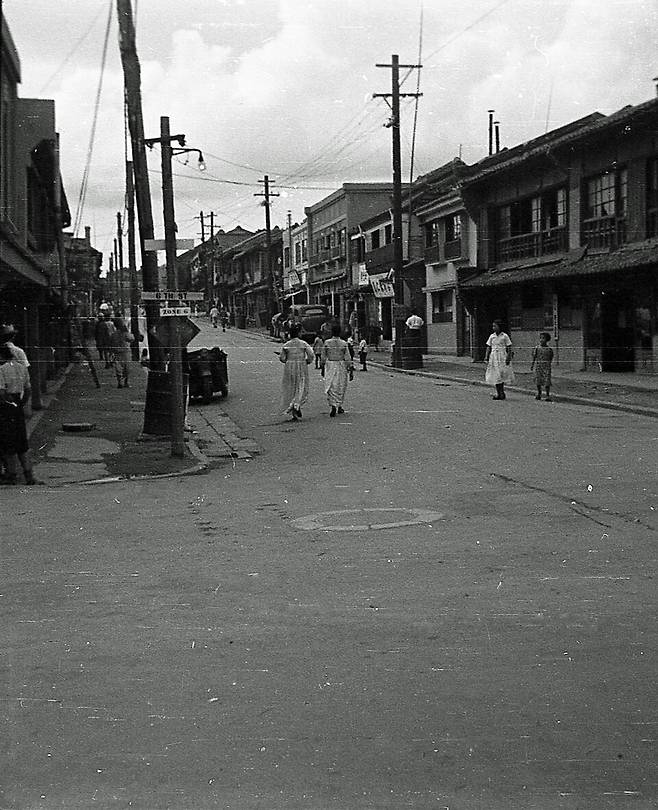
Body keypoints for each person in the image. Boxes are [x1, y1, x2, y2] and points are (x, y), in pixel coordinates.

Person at [0, 344, 36, 485]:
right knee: (21, 441)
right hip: (18, 405)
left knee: (7, 442)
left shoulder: (1, 369)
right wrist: (20, 403)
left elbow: (1, 392)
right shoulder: (21, 368)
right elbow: (28, 390)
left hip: (5, 407)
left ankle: (12, 474)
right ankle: (29, 475)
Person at [278, 322, 314, 421]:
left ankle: (293, 408)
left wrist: (287, 361)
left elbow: (282, 358)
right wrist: (307, 361)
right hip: (301, 365)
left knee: (291, 387)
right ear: (298, 334)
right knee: (301, 386)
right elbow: (311, 354)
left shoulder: (286, 345)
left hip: (289, 366)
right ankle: (296, 405)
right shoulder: (303, 344)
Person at [321, 322, 354, 417]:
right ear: (340, 332)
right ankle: (339, 405)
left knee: (331, 386)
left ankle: (333, 406)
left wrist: (322, 368)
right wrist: (350, 370)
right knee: (340, 385)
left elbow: (323, 357)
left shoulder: (327, 342)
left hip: (330, 365)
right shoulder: (343, 343)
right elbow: (348, 358)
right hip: (341, 365)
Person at [484, 320, 514, 400]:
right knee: (496, 374)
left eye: (495, 326)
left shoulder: (504, 336)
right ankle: (499, 393)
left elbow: (509, 347)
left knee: (501, 374)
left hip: (502, 356)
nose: (494, 328)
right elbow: (488, 347)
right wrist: (486, 356)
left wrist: (508, 357)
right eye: (493, 326)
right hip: (494, 357)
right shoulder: (492, 336)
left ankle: (502, 392)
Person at [530, 332, 554, 401]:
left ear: (547, 340)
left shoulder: (549, 349)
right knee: (538, 380)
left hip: (546, 367)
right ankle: (539, 393)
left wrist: (549, 365)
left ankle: (547, 395)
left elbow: (551, 357)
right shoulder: (537, 348)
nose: (541, 340)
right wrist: (532, 365)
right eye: (540, 338)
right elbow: (534, 357)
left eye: (543, 338)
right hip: (538, 366)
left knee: (547, 381)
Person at [109, 318, 133, 388]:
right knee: (126, 368)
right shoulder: (125, 333)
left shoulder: (113, 334)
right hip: (125, 352)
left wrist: (111, 352)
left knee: (118, 368)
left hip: (117, 352)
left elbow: (110, 343)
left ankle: (120, 382)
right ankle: (126, 382)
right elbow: (131, 339)